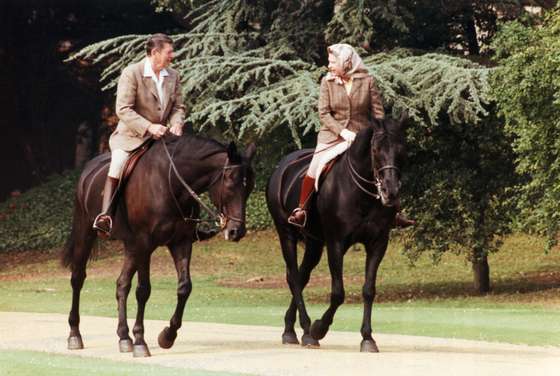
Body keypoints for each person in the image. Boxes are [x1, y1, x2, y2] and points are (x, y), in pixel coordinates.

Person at [287, 43, 415, 228]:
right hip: (332, 136)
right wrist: (342, 131)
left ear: (346, 63)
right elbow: (323, 114)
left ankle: (395, 212)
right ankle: (302, 210)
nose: (329, 66)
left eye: (332, 62)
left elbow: (378, 113)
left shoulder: (368, 81)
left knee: (386, 165)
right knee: (314, 168)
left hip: (362, 136)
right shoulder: (327, 82)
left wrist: (380, 133)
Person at [92, 33, 186, 235]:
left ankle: (188, 221)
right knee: (117, 163)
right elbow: (123, 109)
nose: (173, 55)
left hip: (163, 137)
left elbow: (179, 107)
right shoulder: (131, 73)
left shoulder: (174, 75)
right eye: (169, 52)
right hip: (131, 137)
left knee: (186, 164)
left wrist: (176, 123)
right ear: (155, 52)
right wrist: (149, 127)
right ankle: (106, 216)